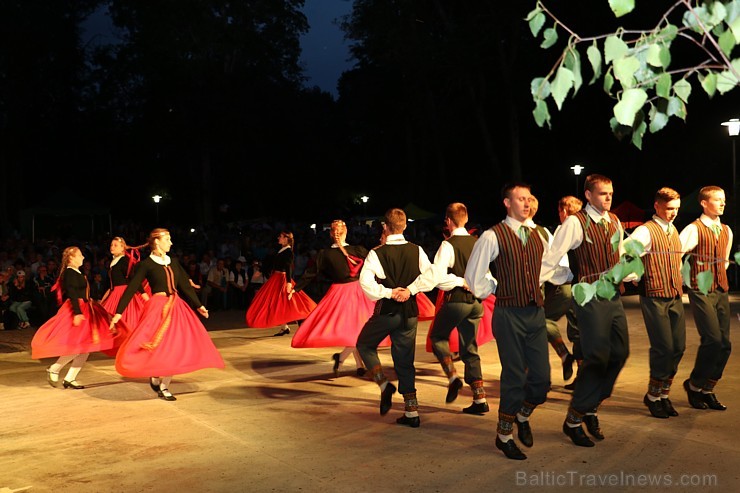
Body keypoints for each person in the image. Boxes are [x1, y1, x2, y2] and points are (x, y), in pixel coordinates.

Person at [540, 174, 629, 448]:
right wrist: (563, 277)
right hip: (589, 296)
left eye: (610, 193)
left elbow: (621, 253)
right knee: (597, 357)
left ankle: (590, 406)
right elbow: (550, 258)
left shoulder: (613, 220)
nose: (608, 198)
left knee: (620, 352)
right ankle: (574, 419)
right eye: (603, 193)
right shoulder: (575, 223)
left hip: (612, 293)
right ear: (588, 195)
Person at [465, 183, 550, 460]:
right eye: (520, 199)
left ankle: (522, 415)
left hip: (535, 311)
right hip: (508, 313)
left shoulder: (540, 233)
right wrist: (497, 288)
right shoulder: (492, 235)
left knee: (541, 380)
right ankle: (504, 435)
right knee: (514, 375)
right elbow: (474, 279)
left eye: (528, 198)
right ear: (506, 203)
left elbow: (552, 267)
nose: (526, 203)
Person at [110, 228, 225, 401]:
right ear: (157, 242)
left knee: (175, 345)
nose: (171, 243)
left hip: (176, 307)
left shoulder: (174, 261)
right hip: (157, 308)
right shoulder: (146, 264)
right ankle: (156, 375)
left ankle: (164, 386)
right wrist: (119, 312)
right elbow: (132, 287)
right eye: (167, 239)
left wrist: (199, 305)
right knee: (159, 345)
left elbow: (184, 286)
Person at [356, 208, 435, 428]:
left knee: (364, 344)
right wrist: (410, 290)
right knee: (405, 360)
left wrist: (390, 292)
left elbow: (366, 283)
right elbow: (431, 277)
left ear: (385, 227)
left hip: (387, 311)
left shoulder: (377, 253)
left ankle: (383, 384)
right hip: (409, 311)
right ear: (404, 226)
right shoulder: (416, 250)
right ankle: (412, 411)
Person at [289, 219, 377, 376]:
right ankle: (353, 362)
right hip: (356, 293)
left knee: (355, 330)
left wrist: (296, 288)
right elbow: (376, 264)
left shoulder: (325, 254)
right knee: (358, 330)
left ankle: (352, 362)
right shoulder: (357, 250)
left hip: (342, 294)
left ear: (331, 234)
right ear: (346, 232)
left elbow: (311, 273)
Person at [427, 202, 490, 415]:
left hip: (457, 301)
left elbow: (437, 278)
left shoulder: (448, 245)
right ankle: (480, 398)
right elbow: (489, 278)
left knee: (437, 337)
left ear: (448, 221)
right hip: (476, 303)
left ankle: (453, 376)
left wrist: (460, 280)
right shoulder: (478, 243)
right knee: (470, 348)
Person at [629, 187, 685, 419]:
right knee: (663, 347)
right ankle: (653, 396)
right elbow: (627, 252)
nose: (673, 213)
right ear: (657, 206)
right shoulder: (645, 231)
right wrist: (633, 275)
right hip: (654, 294)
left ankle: (663, 393)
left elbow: (678, 258)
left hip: (674, 293)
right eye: (670, 208)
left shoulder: (673, 230)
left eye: (677, 209)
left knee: (678, 347)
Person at [31, 246, 119, 389]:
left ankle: (70, 378)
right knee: (78, 346)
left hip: (85, 308)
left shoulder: (77, 271)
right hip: (77, 309)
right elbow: (72, 293)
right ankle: (54, 368)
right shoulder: (70, 273)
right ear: (71, 258)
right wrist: (78, 313)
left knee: (86, 348)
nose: (83, 257)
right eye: (80, 255)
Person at [679, 186, 732, 412]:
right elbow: (677, 255)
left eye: (723, 200)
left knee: (725, 345)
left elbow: (726, 259)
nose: (722, 203)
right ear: (703, 203)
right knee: (712, 339)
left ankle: (707, 389)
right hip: (700, 289)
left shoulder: (727, 230)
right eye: (717, 200)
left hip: (720, 289)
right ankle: (694, 384)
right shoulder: (693, 229)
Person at [527, 195, 576, 384]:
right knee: (577, 331)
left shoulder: (559, 231)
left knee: (540, 323)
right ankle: (578, 372)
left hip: (560, 285)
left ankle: (560, 359)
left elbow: (554, 263)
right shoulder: (547, 232)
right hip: (575, 285)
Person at [246, 231, 317, 336]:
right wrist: (261, 270)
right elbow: (274, 265)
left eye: (281, 236)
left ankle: (300, 322)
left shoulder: (288, 252)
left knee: (289, 300)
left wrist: (288, 282)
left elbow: (288, 267)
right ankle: (285, 327)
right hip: (276, 278)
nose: (278, 238)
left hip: (282, 279)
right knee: (279, 302)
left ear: (286, 238)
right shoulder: (282, 250)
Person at [100, 237, 148, 329]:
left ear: (122, 248)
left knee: (126, 321)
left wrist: (144, 295)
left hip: (124, 294)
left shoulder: (123, 261)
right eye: (111, 245)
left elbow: (133, 279)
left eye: (115, 245)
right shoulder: (114, 262)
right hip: (115, 294)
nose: (112, 247)